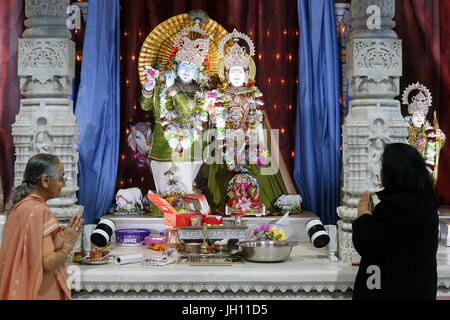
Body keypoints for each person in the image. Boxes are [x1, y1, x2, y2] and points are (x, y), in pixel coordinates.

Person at [205, 29, 295, 214]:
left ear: (247, 74)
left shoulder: (254, 96)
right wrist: (212, 113)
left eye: (240, 71)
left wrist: (253, 139)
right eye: (233, 71)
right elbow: (215, 123)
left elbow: (259, 123)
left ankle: (253, 202)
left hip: (250, 142)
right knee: (221, 168)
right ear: (226, 73)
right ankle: (227, 203)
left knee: (258, 168)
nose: (237, 75)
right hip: (225, 145)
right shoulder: (220, 96)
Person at [352, 143, 439, 300]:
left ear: (394, 172)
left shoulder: (396, 206)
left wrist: (363, 216)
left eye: (384, 167)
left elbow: (368, 245)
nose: (380, 172)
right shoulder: (426, 201)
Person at [0, 154, 83, 300]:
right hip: (39, 293)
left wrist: (59, 239)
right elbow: (49, 263)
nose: (63, 184)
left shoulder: (18, 208)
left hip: (16, 290)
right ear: (45, 180)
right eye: (61, 178)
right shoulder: (39, 211)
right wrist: (68, 245)